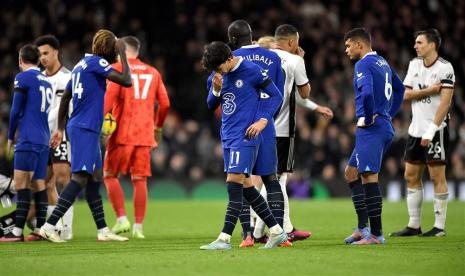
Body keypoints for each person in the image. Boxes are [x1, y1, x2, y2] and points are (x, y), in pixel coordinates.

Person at [38, 29, 132, 243]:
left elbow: (66, 98)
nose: (116, 53)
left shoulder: (81, 65)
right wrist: (124, 53)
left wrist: (60, 128)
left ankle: (102, 230)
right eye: (114, 48)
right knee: (80, 177)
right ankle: (48, 225)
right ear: (108, 49)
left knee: (95, 178)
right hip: (85, 129)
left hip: (81, 127)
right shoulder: (97, 63)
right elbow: (126, 80)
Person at [199, 41, 287, 250]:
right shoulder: (218, 75)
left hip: (245, 135)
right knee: (246, 187)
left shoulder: (251, 71)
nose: (217, 72)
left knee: (233, 183)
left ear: (229, 59)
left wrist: (263, 120)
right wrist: (216, 89)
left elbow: (276, 95)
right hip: (227, 135)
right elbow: (211, 104)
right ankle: (276, 232)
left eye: (219, 68)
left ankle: (224, 238)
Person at [253, 25, 333, 242]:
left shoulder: (261, 58)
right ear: (291, 42)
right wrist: (301, 61)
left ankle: (260, 230)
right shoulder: (295, 60)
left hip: (256, 126)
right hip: (281, 130)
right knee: (276, 180)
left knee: (273, 179)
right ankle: (276, 230)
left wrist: (315, 108)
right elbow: (304, 92)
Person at [225, 19, 287, 248]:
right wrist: (266, 118)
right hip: (266, 125)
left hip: (240, 126)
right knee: (272, 179)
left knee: (241, 179)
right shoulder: (273, 57)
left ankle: (247, 236)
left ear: (232, 38)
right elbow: (276, 94)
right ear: (251, 35)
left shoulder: (231, 58)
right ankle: (278, 235)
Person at [103, 36, 170, 239]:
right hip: (144, 134)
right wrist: (157, 127)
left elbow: (109, 98)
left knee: (109, 175)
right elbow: (165, 104)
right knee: (139, 180)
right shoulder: (153, 72)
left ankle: (122, 218)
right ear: (137, 50)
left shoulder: (116, 67)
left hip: (122, 133)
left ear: (121, 50)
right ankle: (138, 227)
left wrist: (101, 120)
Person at [390, 29, 455, 237]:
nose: (415, 46)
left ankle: (439, 227)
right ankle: (414, 225)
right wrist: (428, 91)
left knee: (437, 176)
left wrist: (431, 130)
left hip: (436, 129)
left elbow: (445, 104)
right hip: (415, 129)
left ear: (432, 45)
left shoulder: (445, 68)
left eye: (419, 42)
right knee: (410, 175)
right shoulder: (414, 64)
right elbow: (405, 94)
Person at [342, 28, 405, 245]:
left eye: (349, 45)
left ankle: (376, 235)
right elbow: (400, 89)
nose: (346, 50)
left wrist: (370, 117)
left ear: (360, 45)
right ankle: (362, 228)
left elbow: (367, 93)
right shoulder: (382, 62)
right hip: (381, 124)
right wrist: (389, 113)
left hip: (372, 127)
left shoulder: (363, 64)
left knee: (368, 176)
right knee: (351, 173)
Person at [0, 45, 53, 242]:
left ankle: (15, 232)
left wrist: (10, 137)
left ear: (20, 60)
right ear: (38, 61)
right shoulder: (46, 80)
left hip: (28, 139)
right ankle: (40, 229)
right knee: (39, 184)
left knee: (22, 185)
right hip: (43, 140)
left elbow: (14, 111)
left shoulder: (22, 78)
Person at [32, 35, 74, 240]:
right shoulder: (38, 79)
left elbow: (72, 108)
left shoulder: (68, 77)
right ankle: (52, 226)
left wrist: (63, 129)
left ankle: (67, 229)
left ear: (57, 52)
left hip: (62, 134)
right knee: (46, 183)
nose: (43, 58)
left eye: (46, 53)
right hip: (42, 136)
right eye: (39, 54)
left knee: (63, 177)